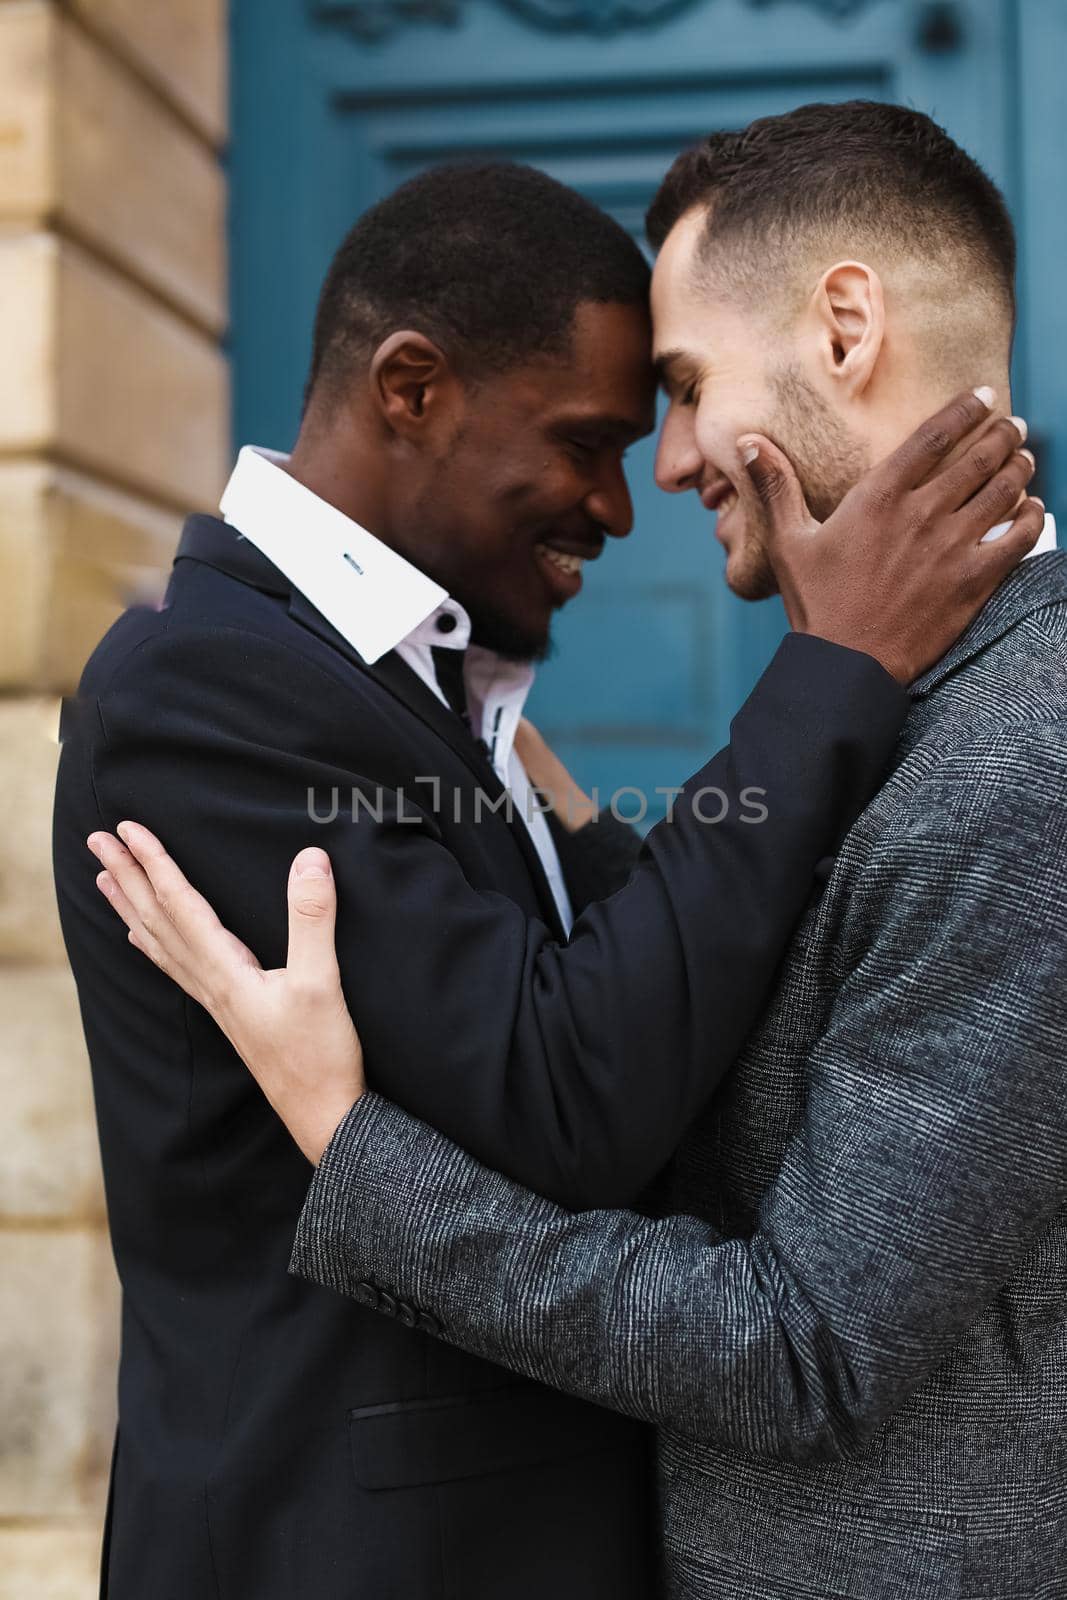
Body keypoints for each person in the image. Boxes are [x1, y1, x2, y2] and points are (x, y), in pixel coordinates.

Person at [63, 144, 1039, 1599]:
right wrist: (828, 675)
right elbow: (571, 1095)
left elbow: (699, 1047)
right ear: (412, 389)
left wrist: (588, 845)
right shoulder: (206, 688)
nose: (638, 490)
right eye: (591, 437)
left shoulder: (422, 683)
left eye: (683, 394)